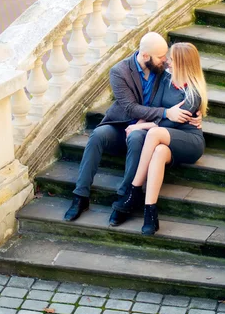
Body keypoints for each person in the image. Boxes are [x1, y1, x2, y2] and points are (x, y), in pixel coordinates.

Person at [64, 32, 201, 225]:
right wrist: (165, 113)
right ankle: (80, 196)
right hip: (122, 125)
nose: (165, 60)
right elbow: (129, 108)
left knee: (137, 138)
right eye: (161, 57)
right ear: (145, 56)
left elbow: (187, 85)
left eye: (166, 57)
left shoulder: (162, 70)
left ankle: (125, 195)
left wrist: (196, 112)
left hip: (148, 129)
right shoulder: (119, 71)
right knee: (97, 135)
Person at [113, 42, 207, 235]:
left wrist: (140, 126)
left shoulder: (193, 92)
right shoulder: (166, 80)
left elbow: (169, 124)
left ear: (182, 63)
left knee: (155, 133)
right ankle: (150, 211)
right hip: (166, 139)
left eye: (171, 60)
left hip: (189, 141)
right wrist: (152, 119)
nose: (167, 63)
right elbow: (156, 109)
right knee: (159, 151)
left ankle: (134, 189)